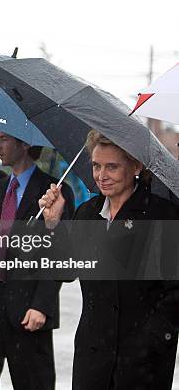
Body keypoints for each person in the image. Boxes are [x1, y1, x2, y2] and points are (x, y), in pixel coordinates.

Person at [39, 130, 179, 390]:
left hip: (145, 362)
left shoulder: (163, 215)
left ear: (136, 165)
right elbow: (64, 271)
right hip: (92, 358)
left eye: (112, 167)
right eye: (96, 166)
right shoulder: (87, 213)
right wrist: (53, 224)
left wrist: (152, 337)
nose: (101, 176)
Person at [0, 129, 74, 390]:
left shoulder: (55, 193)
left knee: (32, 383)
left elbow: (59, 259)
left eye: (3, 138)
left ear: (25, 143)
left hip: (28, 312)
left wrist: (42, 305)